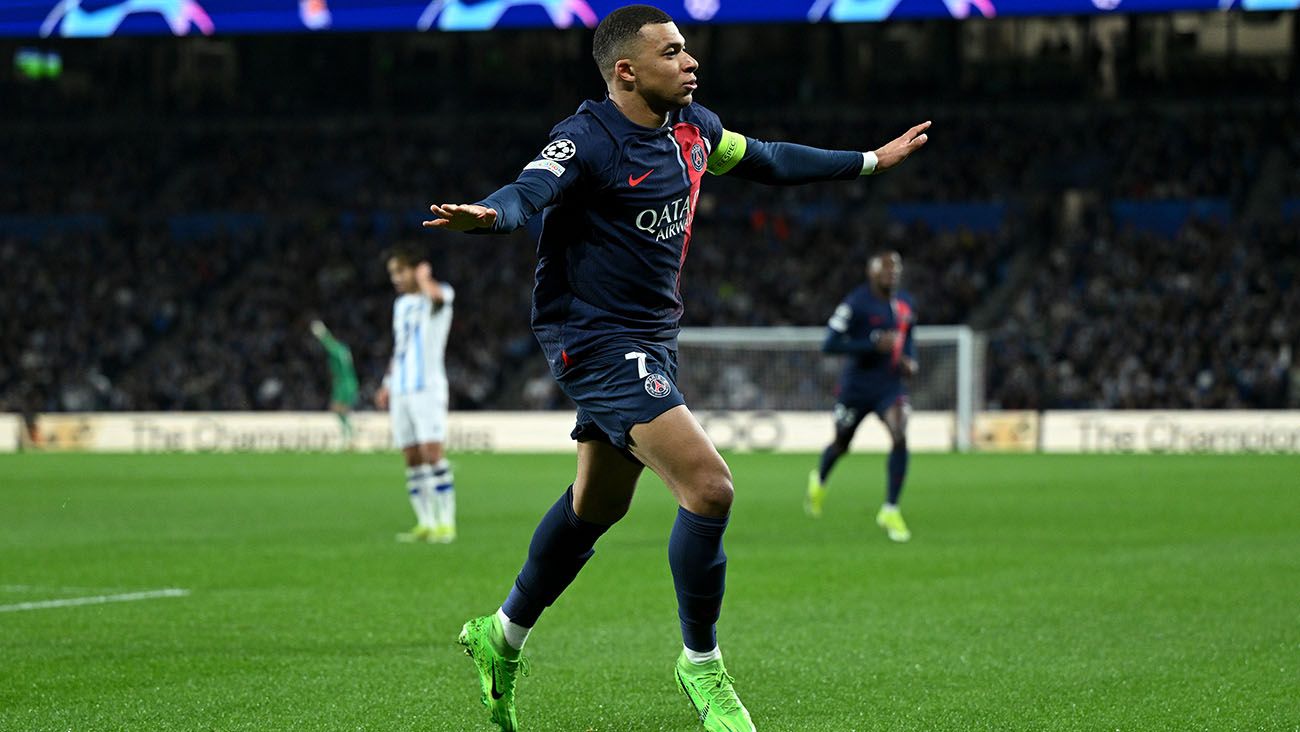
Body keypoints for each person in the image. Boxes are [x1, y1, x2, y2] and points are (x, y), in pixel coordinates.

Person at [423, 6, 929, 730]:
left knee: (597, 506)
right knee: (710, 488)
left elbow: (770, 160)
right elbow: (529, 191)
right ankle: (702, 665)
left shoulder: (696, 130)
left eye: (687, 49)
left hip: (654, 337)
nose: (691, 61)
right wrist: (491, 216)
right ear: (626, 71)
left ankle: (499, 636)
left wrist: (870, 161)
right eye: (672, 52)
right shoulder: (588, 139)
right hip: (591, 336)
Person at [807, 251, 917, 543]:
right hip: (856, 388)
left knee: (900, 434)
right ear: (872, 272)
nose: (892, 273)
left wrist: (909, 360)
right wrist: (870, 343)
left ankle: (890, 508)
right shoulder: (855, 303)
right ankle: (819, 480)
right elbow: (829, 344)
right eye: (885, 269)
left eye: (896, 268)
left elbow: (909, 338)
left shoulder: (905, 304)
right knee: (842, 443)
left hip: (889, 387)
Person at [373, 249, 457, 544]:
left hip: (427, 388)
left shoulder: (439, 293)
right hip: (401, 389)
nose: (396, 279)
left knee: (432, 454)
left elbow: (436, 298)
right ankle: (425, 522)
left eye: (400, 272)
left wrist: (424, 279)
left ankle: (446, 523)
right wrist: (387, 382)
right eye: (392, 274)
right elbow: (401, 347)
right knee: (411, 456)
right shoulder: (401, 305)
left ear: (416, 269)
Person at [309, 320, 359, 448]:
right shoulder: (344, 349)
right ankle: (349, 433)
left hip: (343, 383)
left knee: (337, 408)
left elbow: (329, 345)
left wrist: (322, 333)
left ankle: (349, 433)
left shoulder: (336, 349)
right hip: (350, 381)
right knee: (340, 409)